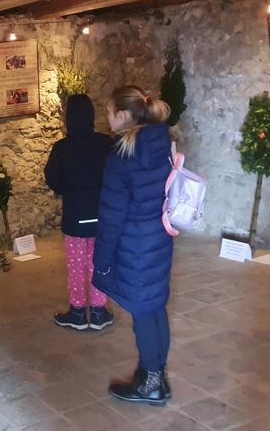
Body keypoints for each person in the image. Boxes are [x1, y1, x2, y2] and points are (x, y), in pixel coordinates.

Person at [93, 85, 174, 406]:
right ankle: (155, 374)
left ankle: (151, 384)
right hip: (158, 239)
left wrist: (101, 260)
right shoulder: (160, 141)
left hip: (135, 246)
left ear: (124, 114)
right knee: (154, 307)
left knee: (143, 312)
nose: (107, 118)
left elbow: (112, 216)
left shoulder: (122, 155)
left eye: (110, 112)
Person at [45, 94, 113, 331]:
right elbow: (115, 175)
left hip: (75, 215)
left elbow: (52, 178)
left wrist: (68, 190)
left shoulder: (62, 148)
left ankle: (77, 312)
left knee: (76, 266)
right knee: (98, 263)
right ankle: (98, 312)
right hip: (101, 214)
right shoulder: (105, 143)